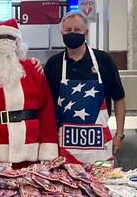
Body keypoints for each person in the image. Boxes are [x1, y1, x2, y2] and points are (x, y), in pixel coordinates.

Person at [0, 19, 58, 166]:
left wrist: (48, 150)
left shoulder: (33, 70)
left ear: (18, 44)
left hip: (29, 153)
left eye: (9, 38)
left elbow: (46, 113)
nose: (5, 42)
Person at [44, 11, 126, 164]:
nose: (72, 34)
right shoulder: (53, 64)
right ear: (61, 32)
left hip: (99, 148)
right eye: (68, 31)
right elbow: (45, 106)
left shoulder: (104, 60)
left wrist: (119, 134)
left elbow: (119, 98)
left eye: (77, 30)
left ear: (86, 32)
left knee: (101, 187)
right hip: (64, 149)